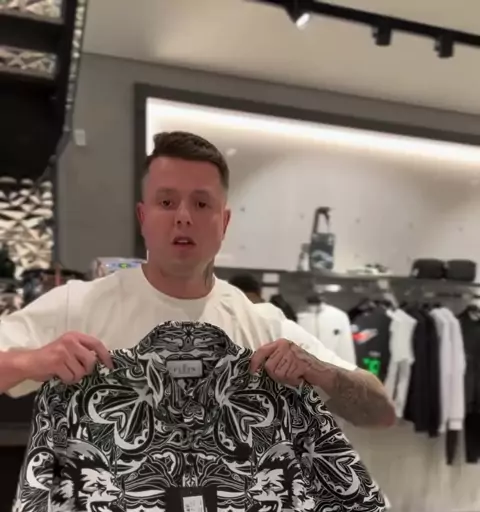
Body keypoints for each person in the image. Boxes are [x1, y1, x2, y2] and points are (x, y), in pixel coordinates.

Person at [0, 131, 395, 427]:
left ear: (224, 222)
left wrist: (320, 371)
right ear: (143, 218)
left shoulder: (262, 325)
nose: (184, 217)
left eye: (202, 203)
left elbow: (379, 412)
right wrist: (33, 361)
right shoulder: (78, 306)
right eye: (167, 202)